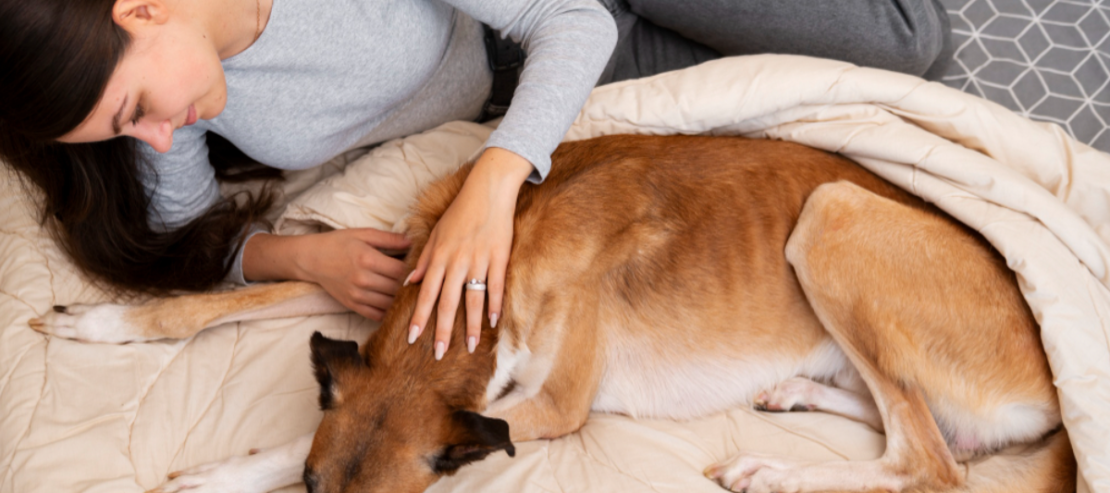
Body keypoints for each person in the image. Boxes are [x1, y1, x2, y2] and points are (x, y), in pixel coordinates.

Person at [0, 0, 951, 357]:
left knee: (908, 41)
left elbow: (571, 21)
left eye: (138, 114)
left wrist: (494, 184)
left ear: (142, 9)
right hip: (549, 71)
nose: (158, 142)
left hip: (558, 18)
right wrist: (304, 256)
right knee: (859, 70)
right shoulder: (145, 103)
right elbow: (182, 233)